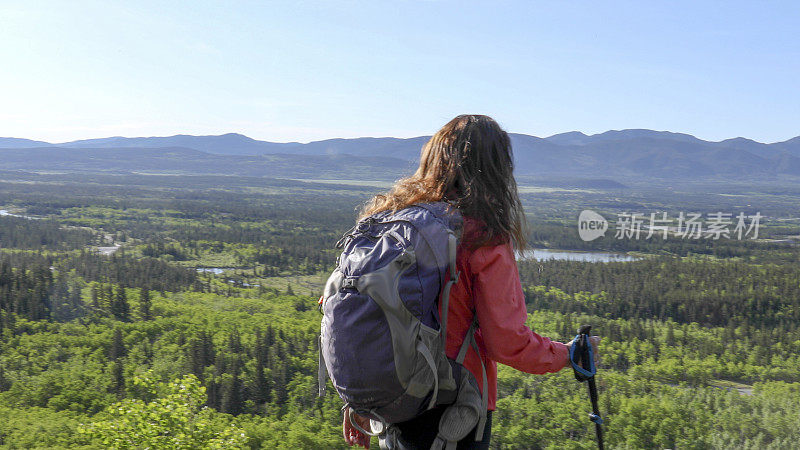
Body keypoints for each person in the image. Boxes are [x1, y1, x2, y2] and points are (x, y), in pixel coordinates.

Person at [342, 114, 600, 449]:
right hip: (454, 407)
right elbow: (506, 341)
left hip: (394, 403)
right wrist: (566, 355)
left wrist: (359, 399)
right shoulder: (482, 236)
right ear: (496, 169)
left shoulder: (387, 219)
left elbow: (355, 311)